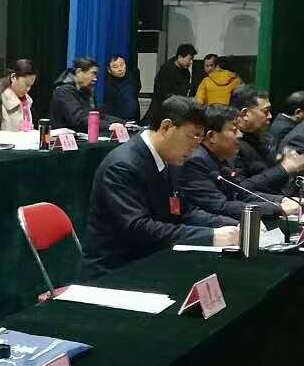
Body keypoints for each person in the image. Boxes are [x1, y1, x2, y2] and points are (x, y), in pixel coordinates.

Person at [82, 96, 240, 274]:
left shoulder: (169, 160)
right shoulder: (122, 166)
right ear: (166, 127)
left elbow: (184, 212)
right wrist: (210, 236)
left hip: (153, 259)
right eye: (194, 136)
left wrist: (231, 225)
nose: (196, 147)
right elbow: (139, 228)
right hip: (116, 269)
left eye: (200, 138)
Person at [178, 106, 300, 221]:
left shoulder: (223, 158)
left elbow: (241, 193)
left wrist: (282, 200)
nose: (240, 135)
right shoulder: (196, 161)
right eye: (234, 130)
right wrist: (277, 209)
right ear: (211, 136)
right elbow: (219, 206)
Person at [229, 84, 304, 185]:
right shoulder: (230, 143)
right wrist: (283, 168)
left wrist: (282, 160)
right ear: (245, 114)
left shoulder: (265, 138)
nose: (270, 116)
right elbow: (240, 187)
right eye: (266, 111)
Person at [143, 44, 196, 125]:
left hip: (177, 110)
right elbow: (162, 94)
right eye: (189, 59)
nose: (191, 62)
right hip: (161, 110)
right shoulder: (166, 70)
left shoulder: (186, 73)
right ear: (180, 57)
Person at [0, 60, 38, 133]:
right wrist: (18, 137)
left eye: (30, 86)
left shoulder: (26, 101)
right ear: (13, 77)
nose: (28, 89)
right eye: (26, 84)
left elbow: (25, 129)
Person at [51, 57, 103, 130]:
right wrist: (108, 126)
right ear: (78, 71)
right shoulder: (63, 91)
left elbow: (98, 115)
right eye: (93, 73)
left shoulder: (88, 91)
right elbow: (78, 119)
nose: (95, 79)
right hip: (67, 135)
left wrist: (116, 122)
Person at [103, 54, 140, 123]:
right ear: (109, 70)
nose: (120, 69)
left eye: (122, 65)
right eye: (115, 67)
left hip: (134, 120)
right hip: (116, 122)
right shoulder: (106, 85)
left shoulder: (132, 79)